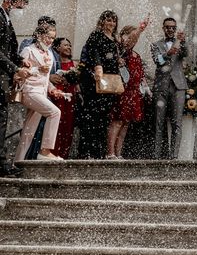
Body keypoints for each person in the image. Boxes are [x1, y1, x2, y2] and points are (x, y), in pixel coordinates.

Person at [14, 24, 65, 161]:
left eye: (53, 38)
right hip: (29, 91)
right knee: (55, 112)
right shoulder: (28, 50)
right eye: (48, 37)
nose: (50, 41)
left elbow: (46, 78)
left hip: (41, 93)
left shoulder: (49, 53)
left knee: (28, 132)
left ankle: (18, 162)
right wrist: (37, 69)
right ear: (39, 35)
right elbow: (17, 75)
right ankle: (45, 151)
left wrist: (53, 89)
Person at [78, 10, 120, 159]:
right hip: (97, 79)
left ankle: (98, 151)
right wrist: (98, 66)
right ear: (102, 21)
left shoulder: (115, 39)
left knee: (103, 117)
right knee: (92, 115)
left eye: (114, 21)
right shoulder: (96, 35)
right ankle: (86, 151)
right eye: (108, 20)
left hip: (110, 81)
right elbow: (94, 52)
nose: (111, 23)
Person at [0, 0, 32, 176]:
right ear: (9, 2)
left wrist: (20, 60)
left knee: (3, 119)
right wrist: (15, 69)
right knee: (2, 120)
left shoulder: (7, 19)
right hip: (1, 77)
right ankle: (2, 164)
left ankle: (3, 162)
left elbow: (8, 48)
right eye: (20, 6)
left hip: (4, 77)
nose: (21, 11)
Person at [107, 20, 149, 159]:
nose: (133, 40)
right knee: (117, 121)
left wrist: (146, 89)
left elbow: (141, 75)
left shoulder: (137, 55)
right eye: (130, 36)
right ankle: (110, 153)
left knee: (125, 124)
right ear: (123, 36)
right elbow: (130, 40)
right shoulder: (121, 50)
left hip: (134, 93)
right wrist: (139, 30)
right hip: (123, 91)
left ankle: (118, 153)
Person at [151, 17, 187, 159]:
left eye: (173, 27)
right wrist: (168, 53)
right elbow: (157, 61)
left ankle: (174, 156)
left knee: (177, 122)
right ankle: (157, 156)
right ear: (163, 28)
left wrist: (183, 41)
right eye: (168, 27)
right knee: (158, 123)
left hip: (178, 87)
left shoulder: (180, 43)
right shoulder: (156, 44)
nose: (170, 29)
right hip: (161, 86)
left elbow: (186, 54)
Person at [51, 38, 79, 159]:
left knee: (68, 126)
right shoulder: (53, 62)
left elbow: (78, 85)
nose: (68, 47)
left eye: (69, 45)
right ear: (57, 48)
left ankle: (63, 154)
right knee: (56, 124)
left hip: (70, 97)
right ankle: (52, 152)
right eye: (65, 45)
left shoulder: (75, 65)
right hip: (56, 96)